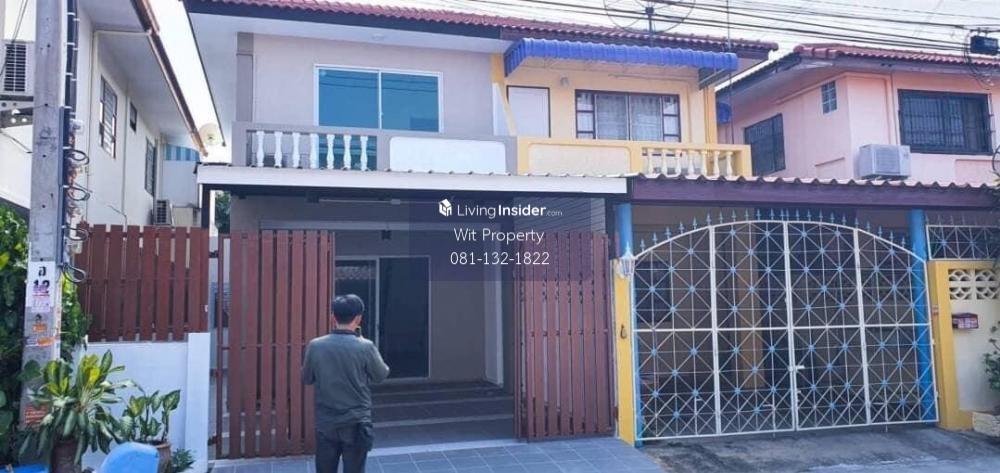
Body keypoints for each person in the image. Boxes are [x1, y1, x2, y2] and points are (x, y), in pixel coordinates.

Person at [303, 294, 390, 473]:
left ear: (333, 317)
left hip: (326, 422)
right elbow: (380, 375)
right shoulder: (365, 346)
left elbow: (307, 378)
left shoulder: (315, 345)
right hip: (356, 422)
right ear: (358, 318)